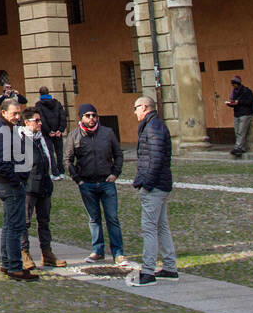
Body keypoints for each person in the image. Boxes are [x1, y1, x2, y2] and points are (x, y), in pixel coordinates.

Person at [64, 103, 126, 265]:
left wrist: (115, 173)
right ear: (81, 117)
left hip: (106, 182)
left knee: (112, 218)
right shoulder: (74, 135)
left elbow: (118, 154)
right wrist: (78, 179)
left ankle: (118, 253)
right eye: (88, 115)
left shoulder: (107, 133)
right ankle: (97, 251)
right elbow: (67, 160)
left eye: (94, 115)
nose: (91, 119)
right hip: (87, 184)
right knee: (94, 219)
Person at [130, 96, 178, 285]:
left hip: (155, 186)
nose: (134, 112)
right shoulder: (154, 125)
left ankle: (148, 272)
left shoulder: (153, 127)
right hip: (160, 184)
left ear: (144, 107)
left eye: (136, 108)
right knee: (161, 226)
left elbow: (156, 158)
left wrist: (146, 183)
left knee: (149, 228)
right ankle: (169, 267)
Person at [0, 98, 37, 280]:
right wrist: (18, 180)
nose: (18, 116)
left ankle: (7, 263)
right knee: (15, 227)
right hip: (10, 185)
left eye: (19, 113)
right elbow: (1, 163)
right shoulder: (2, 132)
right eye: (14, 113)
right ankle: (15, 266)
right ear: (3, 113)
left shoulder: (7, 130)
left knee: (8, 225)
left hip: (7, 183)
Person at [20, 107, 66, 269]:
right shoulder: (20, 139)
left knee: (44, 221)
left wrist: (54, 173)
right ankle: (24, 253)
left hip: (45, 185)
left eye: (40, 120)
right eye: (36, 121)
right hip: (28, 187)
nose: (40, 123)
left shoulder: (41, 138)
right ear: (27, 122)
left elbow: (48, 158)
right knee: (24, 222)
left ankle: (47, 252)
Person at [35, 86, 66, 178]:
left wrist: (48, 131)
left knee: (50, 153)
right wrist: (60, 130)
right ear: (48, 93)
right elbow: (63, 117)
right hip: (57, 132)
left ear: (40, 94)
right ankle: (61, 171)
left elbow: (42, 119)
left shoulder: (39, 105)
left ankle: (55, 172)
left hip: (47, 133)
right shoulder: (57, 103)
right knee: (59, 152)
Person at [225, 76, 253, 158]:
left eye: (234, 84)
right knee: (237, 131)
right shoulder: (234, 92)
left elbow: (250, 101)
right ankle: (241, 148)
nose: (233, 86)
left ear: (238, 84)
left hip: (245, 113)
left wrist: (239, 102)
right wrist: (231, 104)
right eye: (232, 84)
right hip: (237, 113)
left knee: (241, 131)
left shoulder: (246, 91)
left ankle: (238, 148)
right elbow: (235, 103)